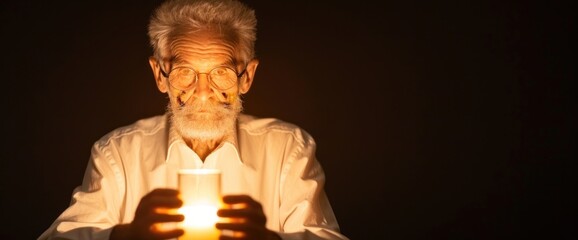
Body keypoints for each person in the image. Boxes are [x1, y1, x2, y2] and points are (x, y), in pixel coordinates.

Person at [38, 0, 348, 239]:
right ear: (160, 75)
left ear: (247, 76)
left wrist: (271, 239)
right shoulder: (117, 154)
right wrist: (122, 236)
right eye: (184, 72)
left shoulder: (287, 150)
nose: (202, 92)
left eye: (222, 73)